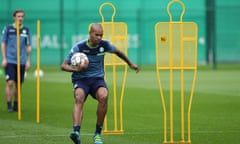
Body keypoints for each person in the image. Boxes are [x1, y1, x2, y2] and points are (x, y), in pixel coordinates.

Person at [61, 23, 139, 144]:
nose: (99, 37)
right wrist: (76, 69)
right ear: (90, 34)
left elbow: (118, 52)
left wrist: (130, 64)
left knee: (104, 96)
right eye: (96, 35)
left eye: (101, 35)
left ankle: (97, 133)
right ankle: (76, 131)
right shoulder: (79, 47)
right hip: (81, 79)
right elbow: (64, 65)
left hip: (97, 79)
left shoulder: (104, 45)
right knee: (79, 97)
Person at [1, 9, 32, 112]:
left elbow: (28, 46)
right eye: (18, 16)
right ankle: (9, 105)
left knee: (19, 84)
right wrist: (4, 58)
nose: (20, 18)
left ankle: (16, 104)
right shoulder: (8, 29)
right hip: (10, 60)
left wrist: (28, 60)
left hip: (21, 61)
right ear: (14, 17)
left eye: (22, 16)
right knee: (10, 82)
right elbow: (3, 44)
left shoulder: (26, 30)